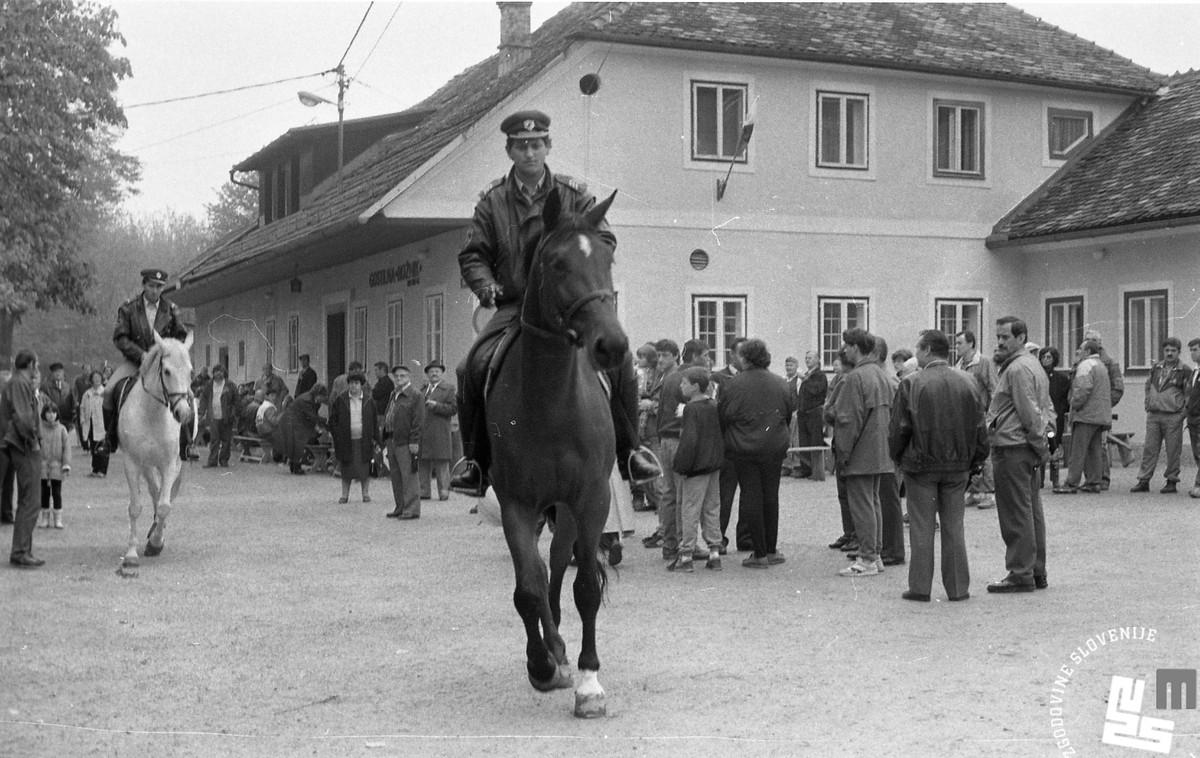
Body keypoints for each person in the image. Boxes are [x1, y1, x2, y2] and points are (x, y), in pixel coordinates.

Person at [450, 109, 659, 497]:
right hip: (516, 304)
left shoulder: (574, 194)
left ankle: (632, 452)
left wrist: (580, 254)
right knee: (470, 366)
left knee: (621, 358)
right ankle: (476, 462)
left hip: (569, 303)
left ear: (549, 147)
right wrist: (487, 286)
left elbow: (604, 240)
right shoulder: (492, 201)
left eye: (537, 145)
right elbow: (473, 254)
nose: (530, 153)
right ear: (510, 151)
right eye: (522, 147)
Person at [888, 329, 987, 602]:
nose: (916, 354)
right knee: (954, 525)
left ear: (928, 350)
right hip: (958, 465)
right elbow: (980, 426)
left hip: (921, 465)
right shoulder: (968, 381)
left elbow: (899, 428)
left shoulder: (911, 383)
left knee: (922, 526)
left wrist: (897, 457)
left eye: (918, 349)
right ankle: (957, 588)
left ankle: (920, 587)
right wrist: (977, 459)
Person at [985, 316, 1053, 594]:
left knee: (1016, 512)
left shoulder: (1017, 369)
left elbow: (1030, 413)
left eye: (1005, 337)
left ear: (1021, 337)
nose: (999, 342)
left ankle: (1020, 572)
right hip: (1024, 445)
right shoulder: (1032, 365)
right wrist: (1042, 444)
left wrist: (1039, 445)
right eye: (998, 336)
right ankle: (1035, 570)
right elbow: (1046, 409)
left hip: (1014, 446)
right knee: (1030, 510)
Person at [717, 338, 796, 569]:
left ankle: (759, 552)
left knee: (751, 495)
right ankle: (771, 550)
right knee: (771, 495)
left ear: (744, 358)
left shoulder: (733, 384)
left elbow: (724, 416)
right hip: (774, 445)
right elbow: (788, 413)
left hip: (744, 446)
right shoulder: (781, 383)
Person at [104, 268, 189, 451]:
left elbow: (180, 337)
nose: (155, 290)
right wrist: (141, 354)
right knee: (109, 390)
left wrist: (169, 353)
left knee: (184, 392)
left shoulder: (172, 310)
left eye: (159, 287)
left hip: (164, 363)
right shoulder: (128, 308)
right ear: (144, 285)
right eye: (151, 286)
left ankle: (186, 442)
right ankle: (109, 439)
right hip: (136, 361)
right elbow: (120, 338)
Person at [833, 328, 892, 577]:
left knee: (862, 505)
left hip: (860, 451)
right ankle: (874, 554)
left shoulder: (855, 377)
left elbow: (848, 420)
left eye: (846, 345)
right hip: (880, 449)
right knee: (873, 501)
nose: (844, 350)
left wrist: (843, 454)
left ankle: (867, 558)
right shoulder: (880, 373)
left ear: (855, 347)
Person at [668, 366, 725, 573]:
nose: (681, 386)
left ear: (694, 387)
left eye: (684, 383)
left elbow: (689, 440)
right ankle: (714, 551)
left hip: (695, 467)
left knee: (690, 509)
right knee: (711, 507)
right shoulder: (712, 405)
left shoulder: (691, 409)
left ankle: (686, 555)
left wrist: (681, 465)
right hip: (712, 464)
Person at [1131, 337, 1191, 494]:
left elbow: (1189, 394)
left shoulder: (1184, 370)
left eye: (1173, 350)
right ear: (1163, 351)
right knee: (1149, 449)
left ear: (1179, 352)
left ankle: (1171, 481)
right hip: (1154, 415)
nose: (1169, 353)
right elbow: (1148, 385)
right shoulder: (1156, 367)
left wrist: (1182, 414)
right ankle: (1144, 480)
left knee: (1173, 450)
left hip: (1173, 416)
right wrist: (1147, 402)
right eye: (1167, 350)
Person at [3, 349, 45, 567]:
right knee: (31, 499)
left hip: (20, 443)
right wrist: (34, 438)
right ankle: (20, 552)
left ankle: (22, 550)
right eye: (36, 363)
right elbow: (24, 417)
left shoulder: (19, 382)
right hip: (24, 445)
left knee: (27, 499)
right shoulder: (20, 382)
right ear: (30, 364)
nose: (37, 367)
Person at [642, 339, 683, 557]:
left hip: (664, 435)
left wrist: (651, 405)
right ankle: (669, 538)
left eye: (664, 355)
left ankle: (669, 537)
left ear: (675, 356)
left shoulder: (675, 376)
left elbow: (673, 409)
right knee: (666, 489)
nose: (660, 360)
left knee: (667, 490)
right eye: (658, 355)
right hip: (659, 434)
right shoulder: (662, 375)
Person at [1054, 340, 1111, 494]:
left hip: (1085, 415)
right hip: (1100, 415)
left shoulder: (1086, 365)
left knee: (1077, 451)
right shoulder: (1101, 366)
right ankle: (1094, 481)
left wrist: (1073, 404)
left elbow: (1082, 389)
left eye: (1080, 349)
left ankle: (1071, 483)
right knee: (1094, 450)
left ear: (1087, 351)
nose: (1078, 352)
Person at [710, 336, 749, 552]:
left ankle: (745, 537)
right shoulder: (718, 377)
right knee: (724, 495)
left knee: (748, 494)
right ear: (731, 355)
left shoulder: (753, 377)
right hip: (728, 445)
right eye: (741, 354)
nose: (744, 359)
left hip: (748, 445)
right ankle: (718, 538)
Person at [955, 330, 997, 509]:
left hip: (981, 415)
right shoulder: (958, 365)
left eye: (959, 343)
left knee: (985, 455)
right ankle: (974, 491)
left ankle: (989, 493)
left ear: (971, 344)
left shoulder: (983, 362)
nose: (956, 346)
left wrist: (992, 417)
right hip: (964, 417)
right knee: (971, 455)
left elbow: (994, 389)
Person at [1082, 328, 1124, 489]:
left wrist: (1104, 404)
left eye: (1093, 340)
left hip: (1100, 412)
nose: (1089, 342)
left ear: (1100, 343)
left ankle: (1103, 478)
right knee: (1085, 446)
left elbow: (1118, 388)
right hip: (1084, 411)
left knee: (1101, 445)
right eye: (1087, 339)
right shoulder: (1081, 360)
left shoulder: (1110, 363)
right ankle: (1090, 478)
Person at [383, 365, 425, 519]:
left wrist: (414, 441)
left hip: (406, 441)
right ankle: (400, 506)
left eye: (403, 376)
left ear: (409, 377)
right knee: (396, 476)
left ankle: (411, 509)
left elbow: (418, 420)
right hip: (391, 438)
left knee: (409, 476)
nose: (399, 379)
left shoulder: (415, 395)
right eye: (397, 376)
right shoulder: (394, 393)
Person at [329, 371, 377, 504]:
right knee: (346, 469)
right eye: (351, 383)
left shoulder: (368, 400)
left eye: (356, 383)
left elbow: (374, 421)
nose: (353, 386)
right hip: (346, 440)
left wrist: (376, 439)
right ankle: (345, 495)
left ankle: (365, 494)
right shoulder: (341, 400)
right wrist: (337, 435)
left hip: (364, 439)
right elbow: (333, 421)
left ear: (361, 385)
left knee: (364, 469)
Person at [418, 361, 456, 501]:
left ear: (441, 373)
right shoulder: (422, 390)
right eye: (431, 371)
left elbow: (453, 409)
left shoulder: (449, 389)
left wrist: (437, 406)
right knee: (423, 462)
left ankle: (444, 490)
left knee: (442, 462)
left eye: (437, 371)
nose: (434, 373)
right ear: (427, 374)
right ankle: (424, 490)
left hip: (440, 430)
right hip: (423, 431)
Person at [276, 383, 328, 475]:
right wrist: (326, 421)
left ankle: (295, 466)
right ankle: (296, 467)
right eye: (323, 396)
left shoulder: (311, 399)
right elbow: (312, 416)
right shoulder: (307, 400)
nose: (323, 399)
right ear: (318, 394)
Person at [1038, 347, 1071, 489]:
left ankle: (1055, 478)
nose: (1046, 360)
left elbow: (1065, 400)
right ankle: (1039, 480)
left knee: (1054, 447)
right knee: (1039, 447)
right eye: (1043, 357)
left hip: (1054, 418)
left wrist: (1061, 412)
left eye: (1049, 357)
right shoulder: (1037, 376)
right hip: (1039, 417)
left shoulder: (1062, 379)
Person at [795, 350, 829, 479]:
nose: (807, 360)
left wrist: (805, 379)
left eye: (810, 358)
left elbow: (815, 390)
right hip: (803, 412)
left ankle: (817, 470)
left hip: (814, 412)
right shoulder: (807, 375)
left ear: (818, 360)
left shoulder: (820, 375)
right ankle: (806, 468)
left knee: (815, 441)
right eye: (806, 357)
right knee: (804, 441)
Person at [38, 404, 71, 529]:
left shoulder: (62, 429)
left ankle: (58, 518)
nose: (51, 415)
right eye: (48, 412)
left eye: (53, 412)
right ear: (44, 414)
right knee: (44, 494)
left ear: (57, 414)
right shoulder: (40, 429)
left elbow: (66, 448)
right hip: (43, 466)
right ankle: (45, 518)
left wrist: (66, 464)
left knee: (57, 493)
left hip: (57, 467)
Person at [200, 364, 236, 468]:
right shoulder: (209, 385)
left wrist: (233, 413)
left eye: (221, 371)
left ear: (224, 373)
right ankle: (212, 461)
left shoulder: (230, 385)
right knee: (214, 440)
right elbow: (204, 399)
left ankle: (224, 460)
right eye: (216, 371)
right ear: (213, 373)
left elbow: (236, 400)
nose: (218, 373)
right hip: (213, 416)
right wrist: (201, 412)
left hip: (226, 416)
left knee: (226, 440)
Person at [77, 369, 109, 478]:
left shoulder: (105, 393)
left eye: (98, 378)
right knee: (93, 448)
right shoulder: (87, 394)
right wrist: (82, 420)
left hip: (102, 423)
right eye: (94, 378)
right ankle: (95, 469)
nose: (97, 380)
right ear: (91, 380)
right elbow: (82, 408)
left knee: (102, 447)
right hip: (90, 423)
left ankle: (102, 470)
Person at [41, 362, 75, 435]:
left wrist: (72, 420)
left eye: (59, 371)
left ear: (63, 373)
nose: (58, 374)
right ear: (52, 374)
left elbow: (72, 403)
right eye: (55, 372)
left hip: (66, 419)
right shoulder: (45, 387)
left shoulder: (68, 386)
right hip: (52, 419)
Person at [1186, 338, 1200, 499]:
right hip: (1193, 418)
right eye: (1190, 350)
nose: (1192, 353)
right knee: (1197, 452)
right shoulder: (1195, 371)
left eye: (1195, 349)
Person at [370, 361, 394, 432]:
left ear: (382, 370)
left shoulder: (385, 382)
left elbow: (375, 394)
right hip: (381, 411)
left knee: (379, 431)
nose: (375, 372)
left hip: (382, 412)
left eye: (376, 370)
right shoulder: (383, 382)